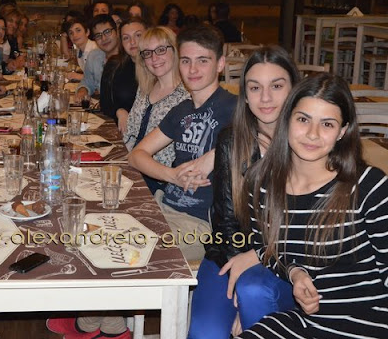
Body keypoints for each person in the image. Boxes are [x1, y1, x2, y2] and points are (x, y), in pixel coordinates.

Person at [233, 73, 388, 338]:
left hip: (370, 322)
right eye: (303, 119)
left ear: (342, 131)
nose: (312, 134)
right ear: (287, 120)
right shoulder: (261, 183)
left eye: (327, 124)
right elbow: (265, 250)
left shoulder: (367, 186)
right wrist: (295, 272)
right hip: (308, 323)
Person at [188, 46, 300, 339]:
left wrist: (254, 266)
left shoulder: (307, 144)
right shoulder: (232, 140)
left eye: (277, 86)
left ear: (294, 90)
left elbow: (305, 228)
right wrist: (239, 276)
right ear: (245, 96)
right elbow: (225, 221)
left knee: (255, 294)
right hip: (228, 252)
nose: (265, 98)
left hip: (286, 262)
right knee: (206, 333)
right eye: (255, 87)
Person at [129, 24, 235, 261]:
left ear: (220, 64)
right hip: (163, 206)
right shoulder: (181, 110)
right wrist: (172, 175)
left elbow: (269, 137)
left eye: (203, 61)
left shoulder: (234, 107)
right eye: (186, 61)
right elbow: (136, 155)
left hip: (199, 224)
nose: (193, 69)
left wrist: (217, 154)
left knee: (129, 251)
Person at [123, 26, 189, 193]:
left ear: (175, 51)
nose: (154, 58)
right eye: (147, 53)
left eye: (161, 50)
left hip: (160, 181)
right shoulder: (145, 89)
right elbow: (130, 132)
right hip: (130, 169)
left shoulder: (186, 96)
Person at [101, 17, 147, 133]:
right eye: (126, 38)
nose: (132, 42)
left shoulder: (157, 66)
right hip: (122, 131)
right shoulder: (114, 65)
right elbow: (105, 103)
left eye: (138, 35)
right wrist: (119, 111)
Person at [75, 14, 116, 102]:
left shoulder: (128, 58)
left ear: (117, 31)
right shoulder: (94, 56)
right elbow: (87, 81)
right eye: (98, 35)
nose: (103, 38)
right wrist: (83, 90)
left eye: (107, 32)